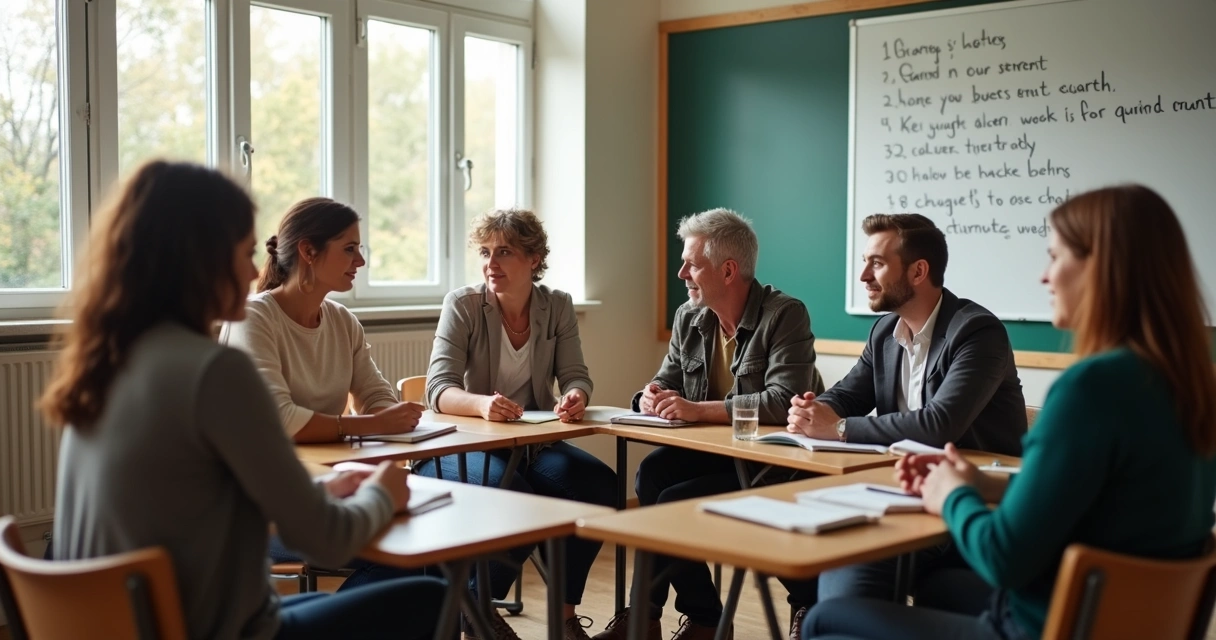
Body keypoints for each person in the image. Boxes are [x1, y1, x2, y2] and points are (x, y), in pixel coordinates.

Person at [43, 161, 445, 640]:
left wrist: (321, 492)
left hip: (119, 625)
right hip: (213, 631)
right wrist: (384, 492)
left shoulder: (103, 362)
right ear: (198, 260)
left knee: (334, 599)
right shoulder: (214, 371)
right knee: (432, 592)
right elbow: (324, 539)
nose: (255, 270)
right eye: (245, 252)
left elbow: (201, 502)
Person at [803, 185, 1216, 640]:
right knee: (938, 586)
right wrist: (979, 481)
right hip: (1121, 621)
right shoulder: (1187, 384)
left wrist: (952, 494)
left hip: (1038, 625)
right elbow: (1088, 489)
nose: (1044, 277)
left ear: (1104, 270)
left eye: (1055, 257)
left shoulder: (1090, 389)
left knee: (826, 617)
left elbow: (1004, 556)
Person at [595, 208, 824, 640]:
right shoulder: (690, 317)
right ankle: (671, 617)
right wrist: (650, 397)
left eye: (692, 263)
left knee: (671, 502)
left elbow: (781, 401)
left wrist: (697, 410)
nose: (682, 272)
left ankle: (777, 607)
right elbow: (668, 379)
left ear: (728, 270)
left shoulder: (785, 315)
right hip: (717, 455)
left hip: (774, 464)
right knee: (652, 474)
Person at [786, 213, 1026, 611]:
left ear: (918, 271)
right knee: (821, 544)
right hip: (902, 495)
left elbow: (938, 424)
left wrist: (840, 428)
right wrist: (814, 410)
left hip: (971, 506)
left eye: (877, 263)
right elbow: (848, 395)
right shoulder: (884, 332)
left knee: (851, 569)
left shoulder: (978, 332)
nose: (863, 275)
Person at [420, 208, 617, 640]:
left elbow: (576, 375)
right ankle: (476, 608)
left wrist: (576, 396)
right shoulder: (464, 304)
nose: (491, 263)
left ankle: (564, 619)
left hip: (531, 445)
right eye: (486, 252)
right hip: (463, 446)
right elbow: (437, 389)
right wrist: (480, 405)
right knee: (517, 499)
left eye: (504, 251)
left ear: (534, 258)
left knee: (600, 488)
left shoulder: (558, 305)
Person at [221, 197, 427, 589]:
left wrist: (393, 416)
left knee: (427, 544)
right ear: (308, 252)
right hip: (269, 510)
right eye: (349, 249)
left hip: (328, 489)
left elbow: (375, 394)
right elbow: (281, 421)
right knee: (409, 561)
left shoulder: (342, 321)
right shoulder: (255, 317)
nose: (360, 261)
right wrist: (371, 423)